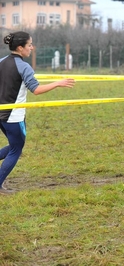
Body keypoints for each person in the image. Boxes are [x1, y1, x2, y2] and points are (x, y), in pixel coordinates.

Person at [0, 31, 76, 194]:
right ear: (20, 48)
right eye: (29, 45)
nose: (32, 48)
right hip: (14, 116)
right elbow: (36, 90)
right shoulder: (23, 66)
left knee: (14, 146)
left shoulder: (1, 62)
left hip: (2, 116)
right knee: (16, 150)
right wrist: (58, 83)